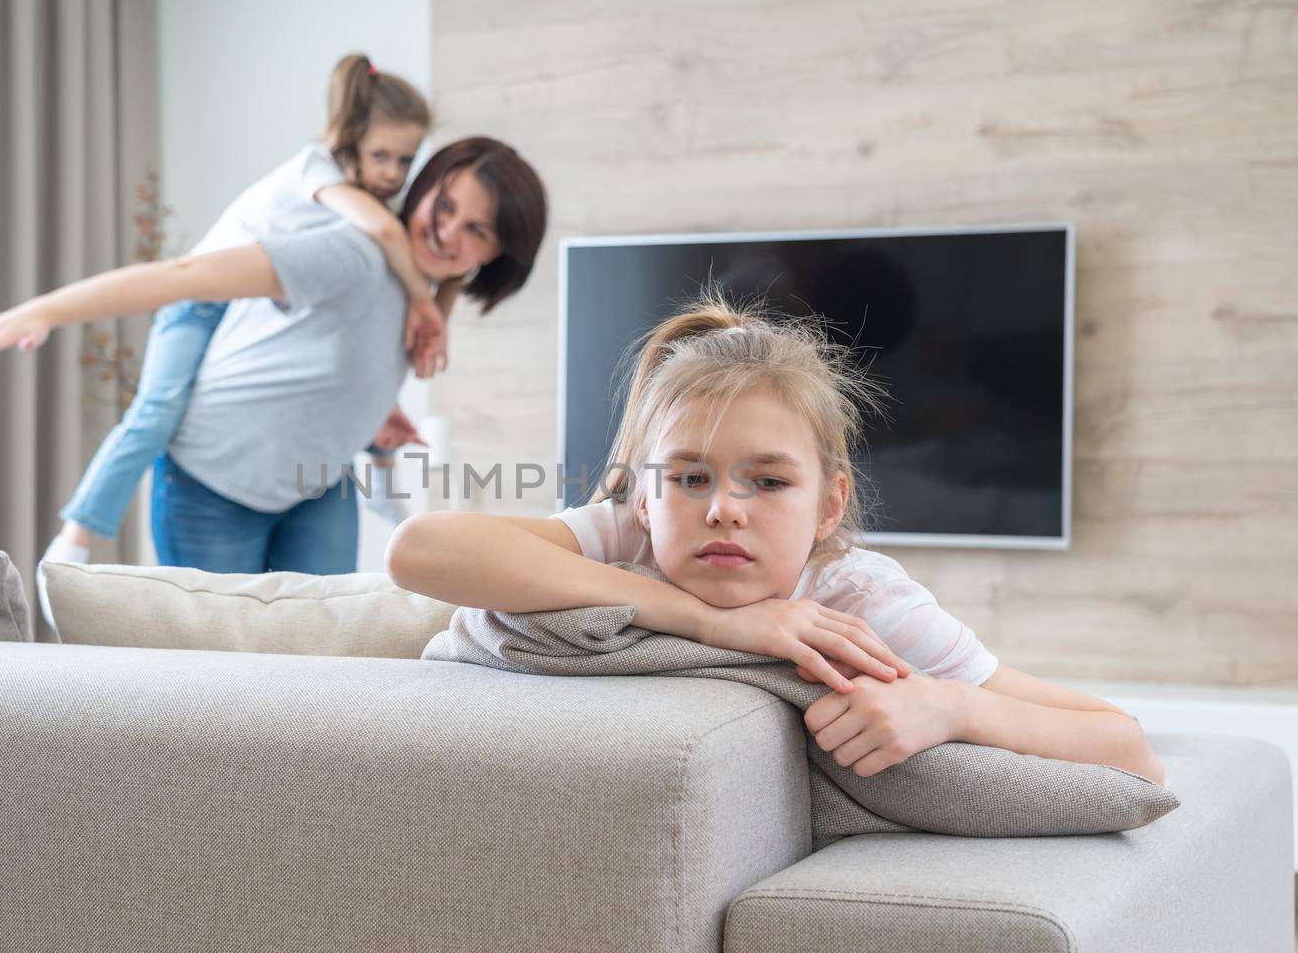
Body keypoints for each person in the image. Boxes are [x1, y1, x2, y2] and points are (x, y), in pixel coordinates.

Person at [386, 294, 1165, 785]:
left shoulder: (857, 600)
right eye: (689, 477)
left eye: (768, 480)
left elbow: (1127, 745)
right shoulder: (635, 532)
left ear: (830, 505)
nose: (723, 506)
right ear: (645, 496)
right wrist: (709, 620)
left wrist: (953, 708)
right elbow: (418, 550)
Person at [0, 137, 548, 591]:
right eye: (443, 206)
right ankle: (78, 533)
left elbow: (336, 359)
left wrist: (369, 417)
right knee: (222, 690)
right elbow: (186, 276)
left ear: (498, 256)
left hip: (316, 487)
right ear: (424, 187)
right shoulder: (354, 253)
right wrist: (47, 310)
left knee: (320, 676)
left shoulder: (429, 299)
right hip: (214, 484)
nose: (446, 233)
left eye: (476, 231)